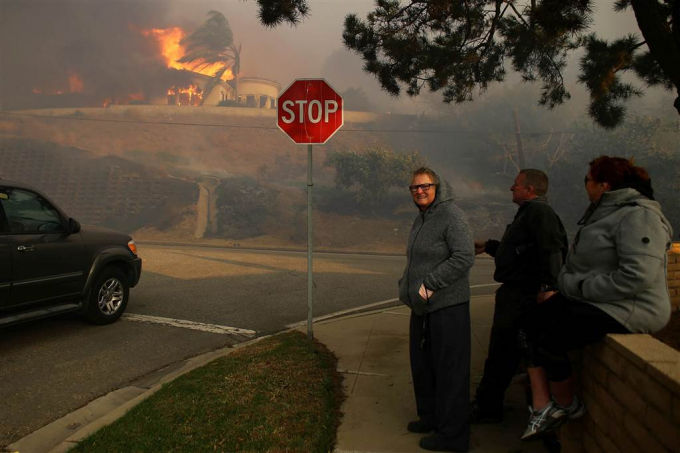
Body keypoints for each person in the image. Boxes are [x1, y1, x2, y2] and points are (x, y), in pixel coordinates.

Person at [519, 156, 673, 441]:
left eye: (587, 180)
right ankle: (543, 405)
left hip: (632, 308)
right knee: (530, 315)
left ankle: (565, 404)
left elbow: (638, 276)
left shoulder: (638, 215)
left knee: (549, 327)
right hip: (606, 301)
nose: (585, 186)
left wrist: (576, 287)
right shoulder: (605, 212)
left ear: (604, 185)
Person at [470, 169, 567, 424]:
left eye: (516, 185)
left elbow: (552, 249)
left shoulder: (540, 213)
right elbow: (521, 251)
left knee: (503, 351)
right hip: (516, 294)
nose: (511, 189)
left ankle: (487, 408)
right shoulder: (529, 213)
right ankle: (488, 404)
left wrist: (549, 286)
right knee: (504, 352)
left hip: (522, 296)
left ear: (530, 189)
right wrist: (490, 247)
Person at [398, 167, 474, 452]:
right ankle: (430, 418)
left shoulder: (451, 215)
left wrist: (428, 286)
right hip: (422, 309)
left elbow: (464, 256)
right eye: (414, 188)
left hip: (447, 307)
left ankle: (452, 436)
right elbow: (417, 259)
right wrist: (405, 285)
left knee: (450, 373)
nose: (419, 191)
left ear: (437, 186)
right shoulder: (421, 219)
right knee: (424, 367)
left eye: (425, 186)